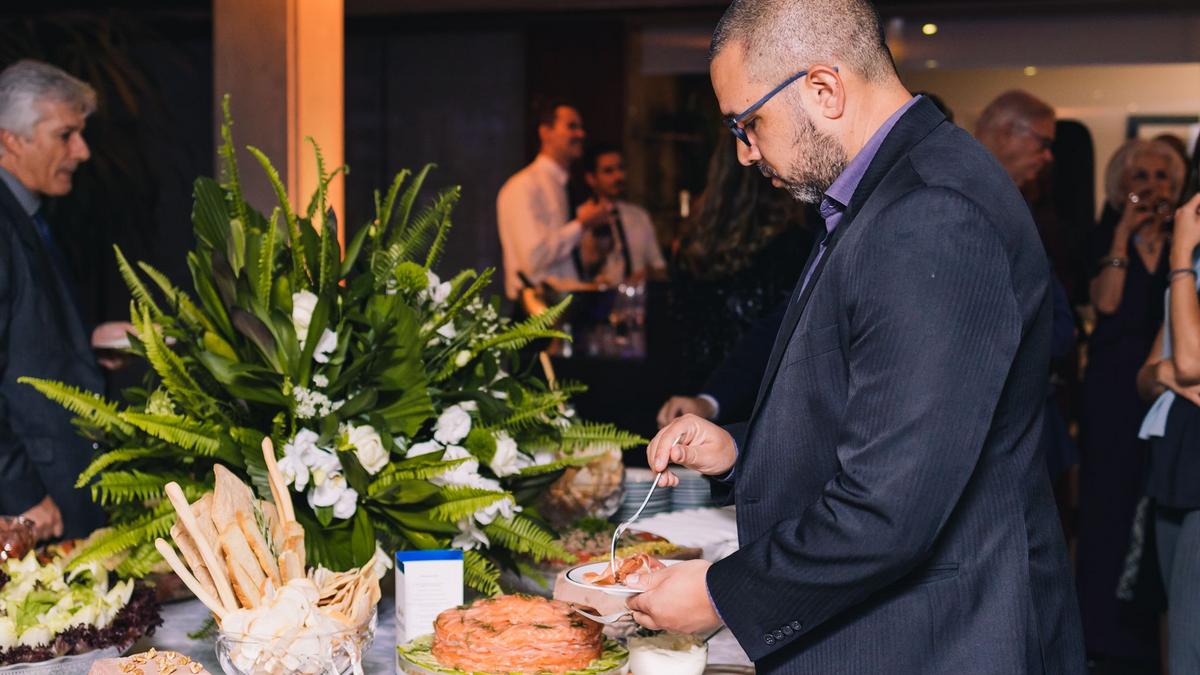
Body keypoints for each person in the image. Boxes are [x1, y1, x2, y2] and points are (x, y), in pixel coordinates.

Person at [626, 1, 1085, 672]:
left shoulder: (931, 210)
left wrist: (722, 595)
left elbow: (888, 505)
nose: (745, 152)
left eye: (748, 122)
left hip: (933, 641)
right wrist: (739, 451)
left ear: (823, 89)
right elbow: (878, 417)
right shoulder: (888, 190)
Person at [0, 60, 132, 541]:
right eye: (65, 135)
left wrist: (85, 345)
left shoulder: (25, 215)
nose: (82, 150)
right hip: (34, 502)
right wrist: (19, 495)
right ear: (11, 139)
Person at [1077, 137, 1185, 670]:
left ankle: (1146, 639)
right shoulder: (1104, 235)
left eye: (1162, 177)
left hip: (1162, 388)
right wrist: (1124, 231)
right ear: (1122, 186)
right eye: (1140, 177)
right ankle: (1098, 637)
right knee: (1106, 504)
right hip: (1111, 389)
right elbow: (1108, 302)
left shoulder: (1185, 242)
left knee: (1151, 504)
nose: (1152, 187)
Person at [654, 137, 812, 427]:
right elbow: (775, 335)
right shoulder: (794, 242)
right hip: (760, 411)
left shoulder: (692, 242)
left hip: (694, 403)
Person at [1136, 191, 1200, 673]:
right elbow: (1146, 377)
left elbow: (1192, 362)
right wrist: (1165, 373)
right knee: (1173, 619)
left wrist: (1178, 255)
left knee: (1188, 644)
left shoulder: (1185, 263)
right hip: (1174, 458)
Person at [496, 99, 613, 302]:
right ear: (546, 132)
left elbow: (566, 262)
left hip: (567, 303)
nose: (581, 134)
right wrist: (581, 224)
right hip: (536, 309)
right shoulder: (524, 186)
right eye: (571, 126)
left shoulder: (566, 186)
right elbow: (533, 259)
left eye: (581, 127)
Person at [577, 143, 666, 286]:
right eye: (608, 171)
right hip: (598, 296)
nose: (618, 176)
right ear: (591, 178)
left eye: (621, 168)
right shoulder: (581, 217)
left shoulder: (639, 216)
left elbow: (659, 266)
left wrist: (647, 274)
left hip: (637, 295)